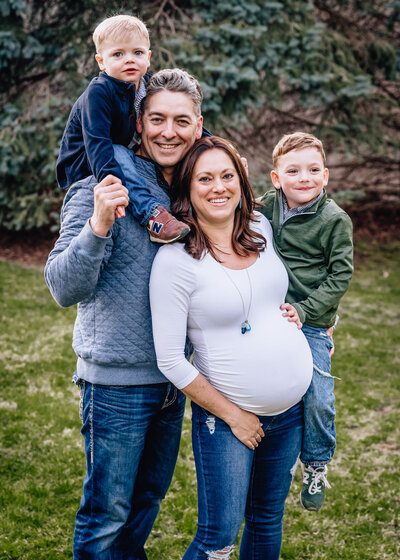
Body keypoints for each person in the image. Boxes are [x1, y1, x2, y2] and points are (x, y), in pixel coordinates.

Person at [45, 68, 204, 559]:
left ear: (199, 126)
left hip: (175, 381)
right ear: (138, 123)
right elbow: (61, 286)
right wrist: (96, 225)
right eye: (157, 118)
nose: (168, 132)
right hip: (115, 384)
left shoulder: (196, 194)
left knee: (146, 503)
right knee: (107, 514)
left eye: (181, 120)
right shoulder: (102, 185)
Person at [149, 136, 314, 559]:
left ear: (241, 182)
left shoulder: (260, 228)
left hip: (290, 412)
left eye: (227, 176)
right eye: (205, 178)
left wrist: (311, 316)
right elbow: (169, 359)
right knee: (218, 536)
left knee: (265, 520)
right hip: (227, 419)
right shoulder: (175, 261)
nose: (218, 187)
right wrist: (235, 417)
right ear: (187, 190)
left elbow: (271, 294)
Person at [260, 131, 354, 511]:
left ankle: (315, 462)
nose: (305, 178)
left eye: (314, 169)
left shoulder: (334, 220)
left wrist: (307, 310)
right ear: (276, 178)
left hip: (310, 320)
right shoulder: (266, 206)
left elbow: (340, 275)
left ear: (326, 175)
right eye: (293, 170)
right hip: (267, 312)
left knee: (317, 394)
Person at [56, 14, 189, 243]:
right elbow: (97, 143)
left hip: (121, 151)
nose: (129, 60)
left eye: (137, 53)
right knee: (118, 152)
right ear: (101, 61)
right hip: (86, 159)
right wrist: (112, 186)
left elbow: (181, 115)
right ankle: (152, 216)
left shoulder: (148, 84)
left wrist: (216, 146)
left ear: (148, 57)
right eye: (118, 54)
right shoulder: (99, 93)